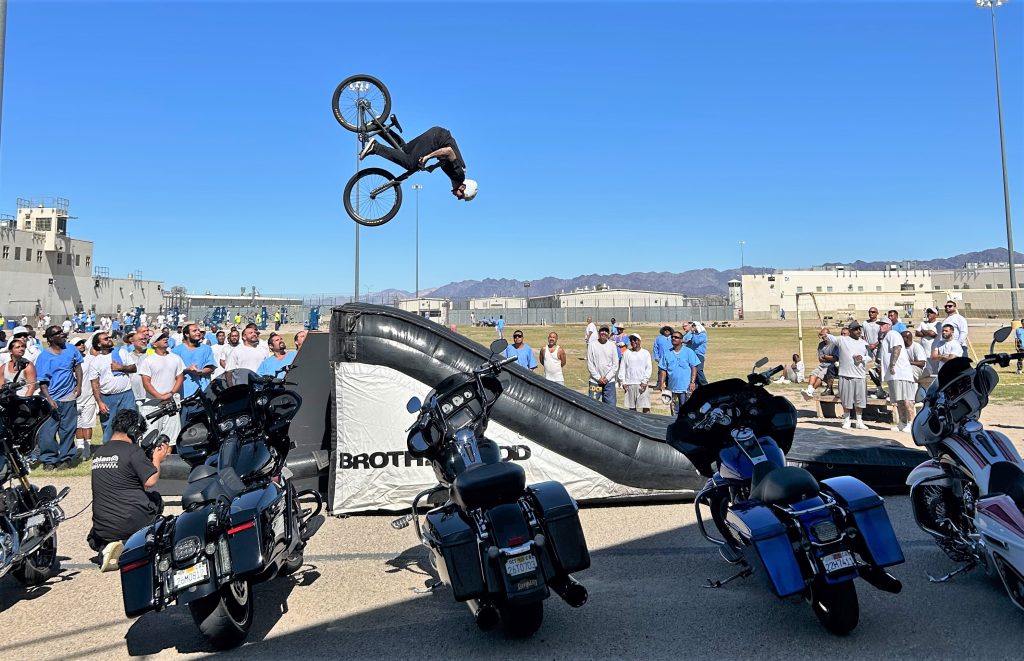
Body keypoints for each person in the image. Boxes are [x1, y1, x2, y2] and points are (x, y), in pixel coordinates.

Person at [88, 408, 172, 572]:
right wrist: (157, 458)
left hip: (103, 527)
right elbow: (150, 481)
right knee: (155, 499)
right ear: (133, 431)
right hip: (130, 522)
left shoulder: (99, 453)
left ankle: (108, 547)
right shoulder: (133, 451)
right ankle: (133, 544)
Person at [359, 125, 478, 201]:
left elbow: (447, 159)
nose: (458, 198)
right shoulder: (459, 175)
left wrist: (433, 166)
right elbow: (449, 151)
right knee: (410, 164)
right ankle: (375, 147)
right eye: (462, 196)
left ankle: (378, 126)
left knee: (405, 150)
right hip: (436, 139)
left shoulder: (457, 173)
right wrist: (428, 157)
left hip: (437, 134)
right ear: (463, 187)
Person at [35, 326, 84, 470]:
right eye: (58, 333)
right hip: (51, 399)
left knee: (68, 430)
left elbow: (78, 367)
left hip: (68, 397)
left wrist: (79, 385)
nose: (63, 334)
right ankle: (49, 460)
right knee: (47, 432)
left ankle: (66, 458)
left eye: (62, 331)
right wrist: (49, 399)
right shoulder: (44, 357)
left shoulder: (71, 349)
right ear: (50, 338)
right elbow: (42, 382)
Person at [88, 332, 138, 444]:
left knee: (130, 423)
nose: (109, 339)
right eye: (106, 339)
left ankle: (130, 448)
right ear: (99, 344)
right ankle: (109, 449)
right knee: (109, 427)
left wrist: (121, 368)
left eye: (109, 337)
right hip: (108, 398)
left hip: (126, 394)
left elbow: (134, 368)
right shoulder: (96, 361)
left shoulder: (121, 352)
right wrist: (99, 402)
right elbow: (95, 384)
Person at [822, 323, 871, 430]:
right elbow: (830, 337)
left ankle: (859, 421)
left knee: (860, 400)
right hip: (845, 374)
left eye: (859, 329)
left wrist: (862, 358)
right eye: (856, 329)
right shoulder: (842, 340)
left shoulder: (864, 343)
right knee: (846, 399)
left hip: (860, 375)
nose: (858, 331)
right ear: (850, 331)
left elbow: (870, 356)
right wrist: (824, 333)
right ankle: (847, 419)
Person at [139, 331, 185, 444]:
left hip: (171, 403)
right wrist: (159, 397)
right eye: (160, 338)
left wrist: (171, 393)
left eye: (165, 337)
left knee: (171, 439)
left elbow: (180, 378)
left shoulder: (176, 358)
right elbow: (146, 382)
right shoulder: (148, 360)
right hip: (153, 405)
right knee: (151, 439)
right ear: (154, 344)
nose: (165, 339)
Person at [657, 330, 700, 416]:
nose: (673, 338)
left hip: (686, 388)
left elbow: (694, 367)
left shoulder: (689, 352)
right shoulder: (667, 353)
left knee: (686, 410)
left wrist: (692, 382)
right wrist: (662, 383)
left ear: (681, 340)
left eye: (676, 337)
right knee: (675, 411)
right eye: (672, 337)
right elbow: (663, 369)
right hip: (673, 388)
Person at [882, 324, 915, 433]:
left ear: (889, 325)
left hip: (901, 373)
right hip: (894, 375)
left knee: (907, 400)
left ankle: (911, 424)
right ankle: (902, 423)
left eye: (883, 324)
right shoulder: (886, 336)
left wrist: (892, 365)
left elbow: (897, 348)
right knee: (899, 401)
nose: (880, 327)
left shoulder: (893, 334)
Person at [73, 337, 98, 460]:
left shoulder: (91, 359)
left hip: (89, 396)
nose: (81, 345)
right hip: (74, 398)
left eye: (82, 343)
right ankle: (80, 447)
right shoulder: (68, 360)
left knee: (87, 423)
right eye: (78, 344)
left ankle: (87, 449)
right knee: (77, 424)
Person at [618, 334, 652, 413]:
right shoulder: (627, 353)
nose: (633, 341)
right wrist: (623, 382)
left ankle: (646, 420)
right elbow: (622, 368)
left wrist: (645, 381)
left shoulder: (645, 353)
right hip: (630, 383)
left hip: (642, 384)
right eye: (631, 340)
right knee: (632, 408)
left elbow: (648, 368)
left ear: (639, 341)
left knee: (645, 406)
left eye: (635, 340)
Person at [802, 327, 839, 399]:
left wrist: (825, 356)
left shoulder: (834, 344)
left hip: (831, 366)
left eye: (824, 335)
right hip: (823, 365)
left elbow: (835, 358)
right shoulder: (821, 345)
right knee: (813, 374)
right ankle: (808, 390)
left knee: (820, 376)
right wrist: (828, 357)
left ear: (828, 335)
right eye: (821, 335)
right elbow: (820, 359)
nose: (822, 337)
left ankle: (811, 392)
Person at [586, 327, 619, 405]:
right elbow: (590, 363)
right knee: (592, 405)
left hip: (609, 382)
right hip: (595, 382)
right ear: (598, 332)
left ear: (608, 334)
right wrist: (598, 378)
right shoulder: (592, 345)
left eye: (606, 331)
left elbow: (615, 364)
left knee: (610, 407)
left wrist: (607, 378)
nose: (604, 333)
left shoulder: (612, 345)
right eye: (602, 331)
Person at [682, 321, 708, 387]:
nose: (693, 327)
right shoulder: (693, 334)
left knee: (698, 370)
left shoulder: (702, 335)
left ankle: (705, 384)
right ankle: (696, 386)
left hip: (699, 354)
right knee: (692, 370)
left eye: (694, 326)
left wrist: (693, 333)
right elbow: (686, 340)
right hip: (692, 354)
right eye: (692, 326)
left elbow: (696, 342)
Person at [652, 326, 673, 391]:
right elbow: (655, 348)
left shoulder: (673, 337)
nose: (667, 331)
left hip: (671, 358)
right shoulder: (658, 338)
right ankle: (659, 385)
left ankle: (669, 385)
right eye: (665, 330)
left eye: (668, 330)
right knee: (660, 372)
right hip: (661, 358)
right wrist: (656, 357)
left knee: (670, 372)